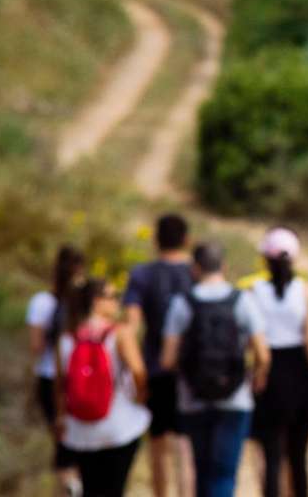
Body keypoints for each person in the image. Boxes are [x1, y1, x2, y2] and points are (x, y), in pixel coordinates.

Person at [161, 241, 271, 497]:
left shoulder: (182, 303)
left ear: (195, 268)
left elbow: (167, 360)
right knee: (224, 474)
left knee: (201, 470)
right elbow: (263, 354)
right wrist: (257, 378)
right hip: (235, 398)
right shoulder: (242, 300)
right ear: (223, 266)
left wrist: (191, 371)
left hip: (193, 399)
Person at [249, 228, 308, 497]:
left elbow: (254, 343)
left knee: (271, 457)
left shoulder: (253, 292)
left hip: (269, 374)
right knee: (298, 458)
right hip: (301, 375)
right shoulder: (305, 291)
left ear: (265, 260)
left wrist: (258, 373)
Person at [55, 278, 151, 497]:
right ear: (97, 301)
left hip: (80, 431)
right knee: (114, 488)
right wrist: (141, 398)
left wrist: (61, 418)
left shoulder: (67, 338)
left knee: (90, 487)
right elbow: (138, 372)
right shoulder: (120, 334)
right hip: (119, 426)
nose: (118, 302)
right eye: (113, 297)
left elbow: (61, 386)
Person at [124, 213, 196, 497]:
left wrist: (134, 371)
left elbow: (131, 325)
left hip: (153, 367)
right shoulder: (196, 272)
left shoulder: (142, 274)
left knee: (158, 443)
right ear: (187, 240)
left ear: (155, 240)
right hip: (189, 371)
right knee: (185, 446)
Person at [26, 244, 85, 497]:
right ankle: (77, 483)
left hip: (49, 378)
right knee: (77, 440)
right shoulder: (85, 302)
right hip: (79, 379)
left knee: (62, 442)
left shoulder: (42, 302)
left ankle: (69, 486)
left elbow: (36, 346)